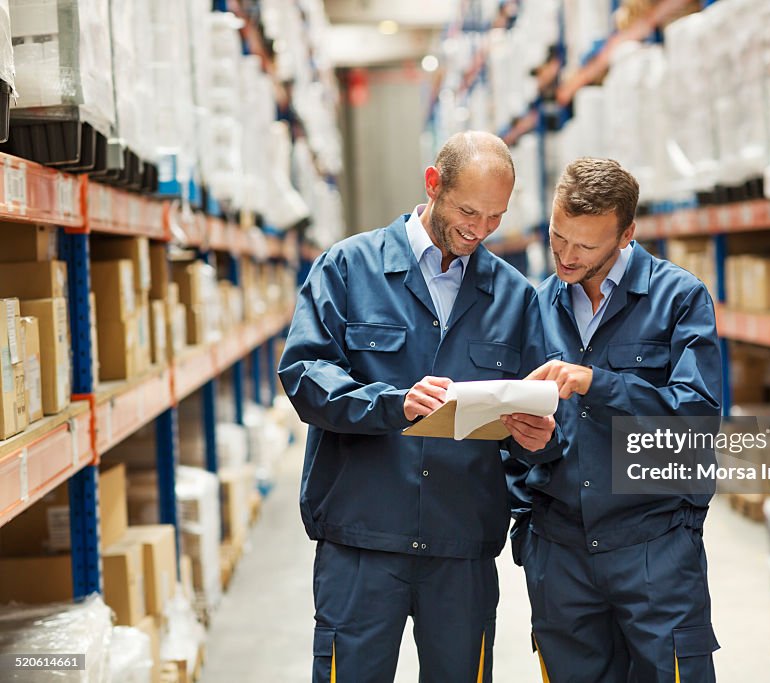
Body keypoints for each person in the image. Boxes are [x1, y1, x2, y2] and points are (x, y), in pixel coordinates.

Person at [278, 131, 559, 683]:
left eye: (495, 218)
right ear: (433, 184)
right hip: (362, 539)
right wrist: (392, 403)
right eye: (468, 211)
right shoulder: (347, 269)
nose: (479, 230)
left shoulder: (515, 296)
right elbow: (304, 375)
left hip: (461, 547)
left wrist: (534, 439)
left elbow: (539, 413)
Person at [521, 158, 723, 682]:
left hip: (652, 546)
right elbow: (521, 440)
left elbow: (695, 418)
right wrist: (530, 447)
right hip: (561, 552)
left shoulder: (678, 298)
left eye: (585, 246)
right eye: (557, 237)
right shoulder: (536, 307)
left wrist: (598, 382)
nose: (566, 256)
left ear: (626, 234)